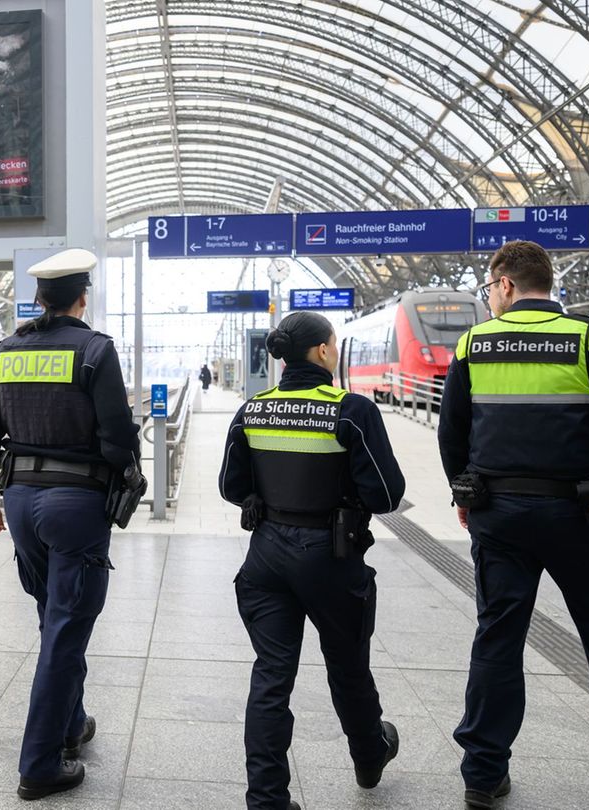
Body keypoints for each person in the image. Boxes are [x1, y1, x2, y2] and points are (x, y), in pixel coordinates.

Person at [438, 240, 589, 809]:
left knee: (498, 638)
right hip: (582, 515)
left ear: (505, 284)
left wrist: (466, 491)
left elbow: (452, 433)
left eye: (489, 289)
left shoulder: (473, 344)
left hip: (498, 515)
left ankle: (482, 773)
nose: (490, 299)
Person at [0, 248, 142, 801]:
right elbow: (117, 435)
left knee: (54, 617)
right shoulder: (95, 351)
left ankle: (72, 723)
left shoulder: (4, 352)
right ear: (82, 297)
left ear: (40, 297)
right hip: (76, 504)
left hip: (21, 500)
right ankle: (41, 762)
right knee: (67, 630)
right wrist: (127, 475)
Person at [219, 311, 405, 810]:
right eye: (335, 344)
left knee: (271, 675)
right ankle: (369, 756)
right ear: (323, 351)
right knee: (347, 667)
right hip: (331, 556)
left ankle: (266, 798)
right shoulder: (351, 411)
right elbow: (387, 493)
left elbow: (230, 487)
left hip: (265, 560)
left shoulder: (253, 410)